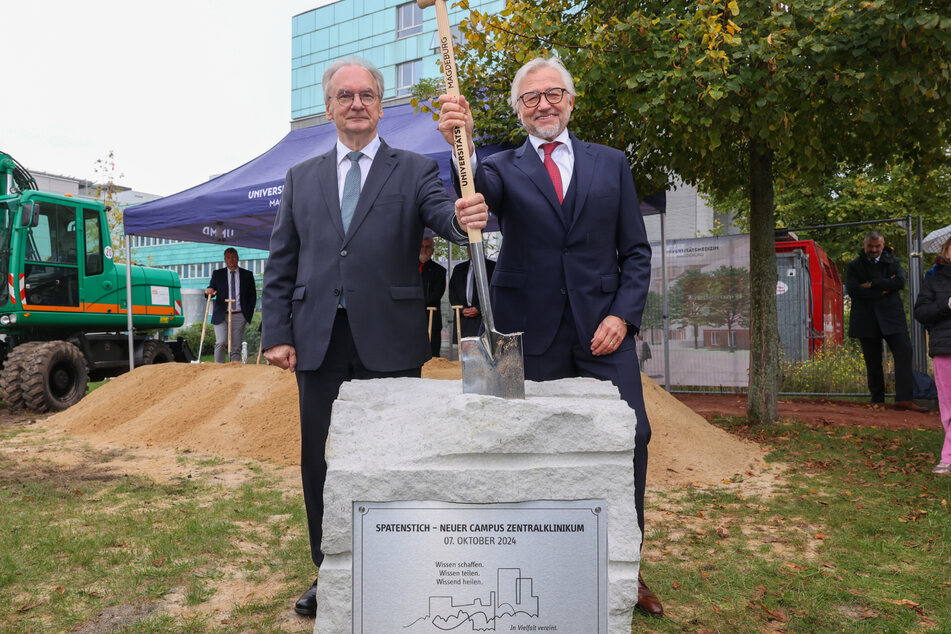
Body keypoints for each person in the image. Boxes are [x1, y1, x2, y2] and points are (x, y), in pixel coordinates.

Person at [261, 57, 488, 618]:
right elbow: (282, 261)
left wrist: (466, 213)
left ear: (381, 106)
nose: (356, 103)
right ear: (330, 108)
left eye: (366, 95)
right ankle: (329, 570)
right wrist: (276, 333)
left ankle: (395, 567)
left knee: (394, 458)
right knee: (321, 461)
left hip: (390, 340)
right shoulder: (301, 177)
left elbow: (447, 218)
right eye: (345, 95)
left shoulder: (412, 170)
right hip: (318, 341)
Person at [438, 56, 663, 617]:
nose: (544, 104)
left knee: (631, 438)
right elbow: (472, 194)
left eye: (554, 94)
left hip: (601, 334)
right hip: (519, 331)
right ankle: (525, 560)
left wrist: (623, 316)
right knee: (510, 446)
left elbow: (635, 252)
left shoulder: (611, 164)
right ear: (518, 109)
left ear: (571, 100)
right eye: (532, 97)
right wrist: (458, 143)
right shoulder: (499, 166)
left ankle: (624, 566)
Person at [845, 231, 928, 412]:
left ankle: (904, 399)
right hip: (866, 319)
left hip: (892, 317)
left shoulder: (893, 261)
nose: (874, 250)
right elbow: (853, 291)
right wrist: (883, 289)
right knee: (872, 361)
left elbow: (899, 282)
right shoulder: (854, 266)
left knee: (905, 351)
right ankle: (877, 400)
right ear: (864, 245)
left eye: (877, 246)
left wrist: (872, 284)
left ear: (883, 246)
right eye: (870, 246)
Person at [913, 235, 951, 474]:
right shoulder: (934, 281)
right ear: (946, 251)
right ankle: (948, 457)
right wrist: (946, 305)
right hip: (945, 351)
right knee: (948, 406)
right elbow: (921, 312)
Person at [205, 248, 256, 363]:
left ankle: (234, 373)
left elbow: (252, 296)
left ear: (238, 258)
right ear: (225, 260)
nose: (231, 260)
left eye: (233, 257)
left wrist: (247, 313)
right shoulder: (218, 274)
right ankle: (218, 370)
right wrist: (209, 290)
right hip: (221, 315)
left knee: (235, 347)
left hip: (239, 315)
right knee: (221, 342)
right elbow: (211, 289)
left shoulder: (247, 275)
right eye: (228, 257)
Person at [448, 247, 496, 340]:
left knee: (483, 351)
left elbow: (494, 293)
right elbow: (452, 292)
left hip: (483, 319)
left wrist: (479, 308)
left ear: (482, 248)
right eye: (470, 247)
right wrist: (461, 309)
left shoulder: (493, 267)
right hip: (463, 320)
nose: (472, 249)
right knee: (464, 352)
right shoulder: (459, 269)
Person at [420, 237, 447, 357]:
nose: (424, 250)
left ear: (432, 250)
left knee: (432, 354)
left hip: (431, 317)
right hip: (411, 317)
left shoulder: (439, 271)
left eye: (428, 247)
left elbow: (437, 294)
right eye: (422, 246)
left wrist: (417, 303)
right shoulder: (407, 269)